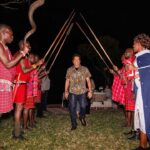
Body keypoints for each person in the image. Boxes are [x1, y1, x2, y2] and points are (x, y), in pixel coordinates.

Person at [13, 41, 43, 140]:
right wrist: (36, 64)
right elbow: (25, 70)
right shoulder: (20, 55)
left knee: (20, 109)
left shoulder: (23, 57)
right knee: (19, 109)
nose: (30, 47)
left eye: (30, 45)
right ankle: (17, 133)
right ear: (22, 46)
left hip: (23, 84)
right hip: (19, 84)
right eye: (28, 45)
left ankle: (17, 131)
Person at [0, 24, 29, 117]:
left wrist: (14, 79)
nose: (12, 37)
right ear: (4, 32)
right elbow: (8, 64)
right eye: (10, 34)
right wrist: (22, 53)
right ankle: (17, 131)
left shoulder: (6, 48)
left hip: (6, 84)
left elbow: (13, 66)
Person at [64, 54, 92, 130]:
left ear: (80, 61)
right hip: (72, 92)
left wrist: (90, 91)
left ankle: (82, 117)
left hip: (82, 91)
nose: (76, 61)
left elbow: (88, 80)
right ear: (72, 61)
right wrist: (66, 91)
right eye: (75, 60)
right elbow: (67, 81)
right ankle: (74, 124)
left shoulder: (85, 69)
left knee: (83, 106)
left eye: (78, 59)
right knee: (72, 108)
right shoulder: (69, 70)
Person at [132, 33, 150, 150]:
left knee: (146, 117)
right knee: (141, 116)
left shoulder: (147, 56)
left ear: (139, 44)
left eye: (134, 44)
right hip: (141, 93)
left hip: (147, 93)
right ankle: (142, 145)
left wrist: (135, 69)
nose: (133, 46)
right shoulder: (138, 57)